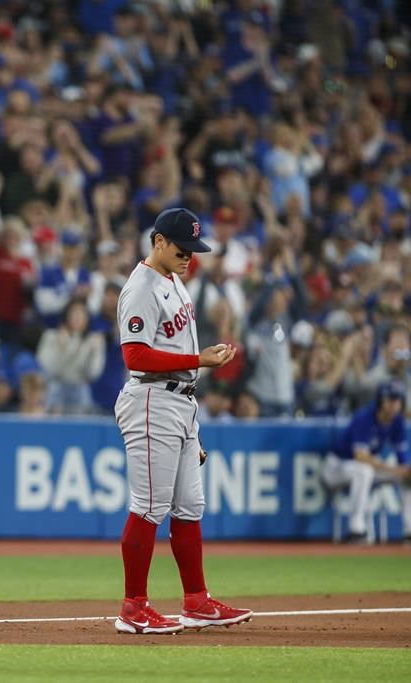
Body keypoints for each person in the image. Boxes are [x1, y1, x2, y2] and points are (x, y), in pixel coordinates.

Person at [113, 208, 252, 635]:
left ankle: (196, 602)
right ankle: (133, 607)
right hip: (152, 399)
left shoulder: (174, 281)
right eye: (180, 247)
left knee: (190, 507)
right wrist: (199, 360)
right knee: (149, 507)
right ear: (157, 241)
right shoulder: (140, 287)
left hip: (181, 404)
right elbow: (134, 356)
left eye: (193, 249)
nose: (188, 256)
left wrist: (191, 423)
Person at [323, 382, 411, 544]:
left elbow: (402, 457)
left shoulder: (397, 422)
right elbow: (360, 456)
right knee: (364, 471)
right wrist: (394, 469)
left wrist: (405, 470)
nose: (393, 405)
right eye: (390, 400)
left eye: (397, 400)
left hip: (364, 467)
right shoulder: (365, 417)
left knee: (407, 477)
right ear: (380, 400)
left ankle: (409, 530)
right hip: (337, 466)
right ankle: (356, 530)